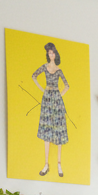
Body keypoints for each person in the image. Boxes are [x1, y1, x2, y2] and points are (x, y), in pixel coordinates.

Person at [32, 42, 68, 178]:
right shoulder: (44, 67)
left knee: (58, 130)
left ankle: (59, 163)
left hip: (56, 101)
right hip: (47, 100)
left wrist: (59, 95)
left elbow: (67, 86)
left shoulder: (58, 70)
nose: (50, 54)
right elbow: (34, 76)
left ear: (55, 54)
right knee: (47, 131)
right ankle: (46, 164)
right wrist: (43, 90)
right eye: (49, 53)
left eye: (52, 52)